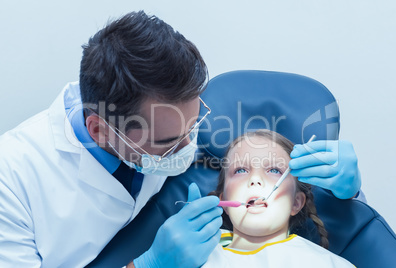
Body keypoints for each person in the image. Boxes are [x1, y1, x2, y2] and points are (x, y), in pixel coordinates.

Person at [0, 10, 361, 268]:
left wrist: (350, 193)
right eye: (170, 142)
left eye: (194, 124)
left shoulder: (174, 126)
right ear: (100, 130)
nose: (190, 146)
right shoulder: (12, 181)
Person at [203, 130, 355, 267]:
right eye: (241, 170)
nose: (255, 179)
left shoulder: (326, 264)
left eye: (274, 170)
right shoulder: (195, 256)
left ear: (296, 203)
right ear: (224, 201)